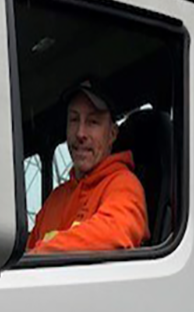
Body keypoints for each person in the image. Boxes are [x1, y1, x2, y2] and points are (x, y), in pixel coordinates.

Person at [27, 80, 149, 253]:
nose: (80, 133)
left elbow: (116, 234)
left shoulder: (124, 185)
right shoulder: (54, 200)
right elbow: (24, 258)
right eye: (74, 120)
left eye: (93, 122)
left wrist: (42, 253)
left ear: (112, 134)